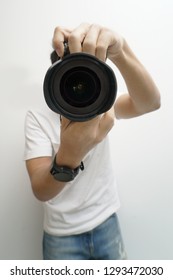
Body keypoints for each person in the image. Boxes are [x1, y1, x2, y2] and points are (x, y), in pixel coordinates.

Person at [24, 23, 161, 260]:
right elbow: (40, 190)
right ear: (54, 81)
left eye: (83, 77)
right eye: (68, 77)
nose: (78, 87)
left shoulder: (100, 106)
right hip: (61, 235)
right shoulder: (37, 119)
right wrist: (69, 155)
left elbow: (149, 103)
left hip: (106, 221)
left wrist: (120, 51)